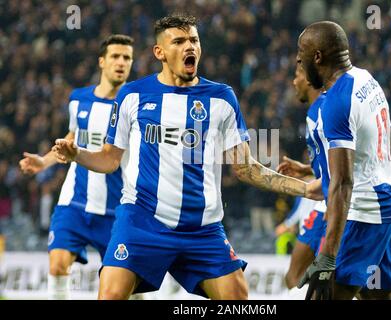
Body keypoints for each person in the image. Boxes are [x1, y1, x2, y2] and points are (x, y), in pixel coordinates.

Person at [52, 14, 321, 300]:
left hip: (201, 230)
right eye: (178, 41)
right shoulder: (132, 95)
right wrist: (77, 154)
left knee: (239, 301)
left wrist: (305, 189)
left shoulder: (221, 98)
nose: (188, 47)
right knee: (110, 296)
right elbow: (109, 160)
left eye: (193, 40)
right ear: (160, 52)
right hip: (142, 222)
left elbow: (246, 169)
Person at [296, 21, 391, 300]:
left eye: (302, 52)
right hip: (390, 209)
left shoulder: (336, 101)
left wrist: (327, 258)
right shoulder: (367, 79)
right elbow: (388, 153)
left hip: (363, 216)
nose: (299, 59)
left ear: (318, 57)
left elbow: (342, 182)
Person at [19, 34, 134, 299]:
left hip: (116, 212)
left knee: (128, 289)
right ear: (102, 62)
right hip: (74, 202)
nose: (121, 62)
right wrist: (44, 161)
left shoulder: (135, 106)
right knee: (58, 265)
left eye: (127, 58)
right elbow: (72, 139)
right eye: (115, 56)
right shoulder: (78, 99)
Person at [275, 64, 328, 289]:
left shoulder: (324, 111)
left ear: (309, 80)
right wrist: (307, 169)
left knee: (294, 278)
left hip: (333, 207)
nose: (293, 82)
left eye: (297, 75)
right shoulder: (324, 108)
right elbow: (335, 162)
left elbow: (343, 166)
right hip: (350, 204)